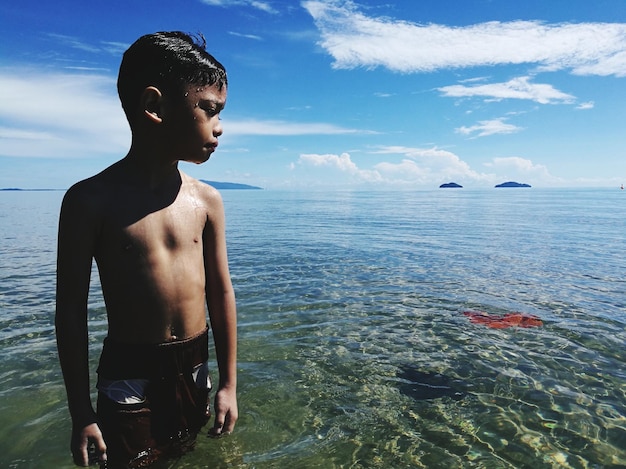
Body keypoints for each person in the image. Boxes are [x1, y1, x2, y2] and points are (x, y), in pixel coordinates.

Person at [55, 31, 238, 468]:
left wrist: (228, 384)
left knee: (184, 452)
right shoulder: (89, 202)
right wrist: (81, 413)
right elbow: (70, 312)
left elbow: (222, 293)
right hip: (129, 370)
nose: (219, 126)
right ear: (154, 107)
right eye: (209, 109)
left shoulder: (206, 201)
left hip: (194, 363)